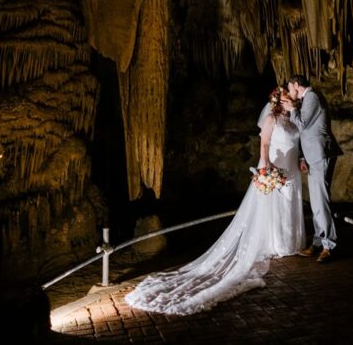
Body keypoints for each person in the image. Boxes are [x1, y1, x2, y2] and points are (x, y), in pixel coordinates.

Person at [124, 87, 305, 315]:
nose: (289, 98)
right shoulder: (271, 118)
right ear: (278, 100)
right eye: (286, 96)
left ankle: (290, 241)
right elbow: (265, 145)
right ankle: (276, 243)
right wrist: (265, 167)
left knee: (288, 204)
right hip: (275, 164)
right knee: (273, 207)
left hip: (291, 168)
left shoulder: (291, 119)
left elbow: (298, 141)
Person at [282, 74, 342, 263]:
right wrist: (302, 157)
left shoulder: (312, 97)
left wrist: (291, 109)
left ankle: (328, 245)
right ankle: (318, 241)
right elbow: (306, 133)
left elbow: (302, 124)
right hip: (312, 156)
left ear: (296, 85)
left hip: (320, 154)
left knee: (321, 202)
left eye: (289, 88)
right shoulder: (307, 99)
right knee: (316, 202)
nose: (289, 92)